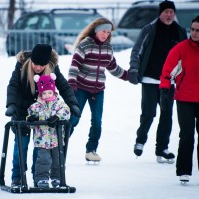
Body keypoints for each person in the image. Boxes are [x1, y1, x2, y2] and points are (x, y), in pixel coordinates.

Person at [5, 44, 81, 188]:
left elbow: (63, 86)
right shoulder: (22, 65)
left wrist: (73, 104)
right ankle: (17, 177)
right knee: (21, 145)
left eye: (42, 65)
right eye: (35, 64)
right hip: (21, 111)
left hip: (43, 114)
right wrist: (11, 105)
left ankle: (38, 177)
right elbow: (13, 85)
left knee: (40, 147)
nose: (38, 68)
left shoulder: (52, 67)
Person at [128, 0, 187, 163]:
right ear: (160, 13)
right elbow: (137, 51)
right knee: (148, 113)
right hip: (149, 79)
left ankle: (162, 148)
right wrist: (134, 70)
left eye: (171, 12)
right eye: (166, 12)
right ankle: (140, 141)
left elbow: (185, 56)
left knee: (167, 115)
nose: (169, 15)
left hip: (169, 82)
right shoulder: (150, 29)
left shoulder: (180, 31)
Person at [68, 17, 128, 162]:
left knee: (97, 121)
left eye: (108, 32)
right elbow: (74, 65)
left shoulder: (108, 48)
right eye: (103, 31)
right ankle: (60, 146)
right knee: (74, 119)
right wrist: (71, 83)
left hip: (98, 90)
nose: (105, 34)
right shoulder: (85, 45)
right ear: (96, 30)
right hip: (81, 88)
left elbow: (113, 67)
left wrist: (128, 76)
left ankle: (91, 150)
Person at [160, 15, 199, 183]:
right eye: (193, 30)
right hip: (185, 99)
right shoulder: (181, 49)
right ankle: (184, 170)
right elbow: (167, 70)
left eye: (198, 30)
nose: (195, 33)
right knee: (187, 135)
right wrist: (164, 90)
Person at [27, 73, 71, 188]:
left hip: (57, 139)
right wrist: (32, 119)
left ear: (53, 91)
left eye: (49, 92)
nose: (47, 95)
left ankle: (57, 178)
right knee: (43, 160)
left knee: (57, 160)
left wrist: (57, 117)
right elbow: (29, 122)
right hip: (42, 140)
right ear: (40, 93)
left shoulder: (60, 104)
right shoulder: (35, 106)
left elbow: (66, 112)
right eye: (44, 93)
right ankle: (41, 179)